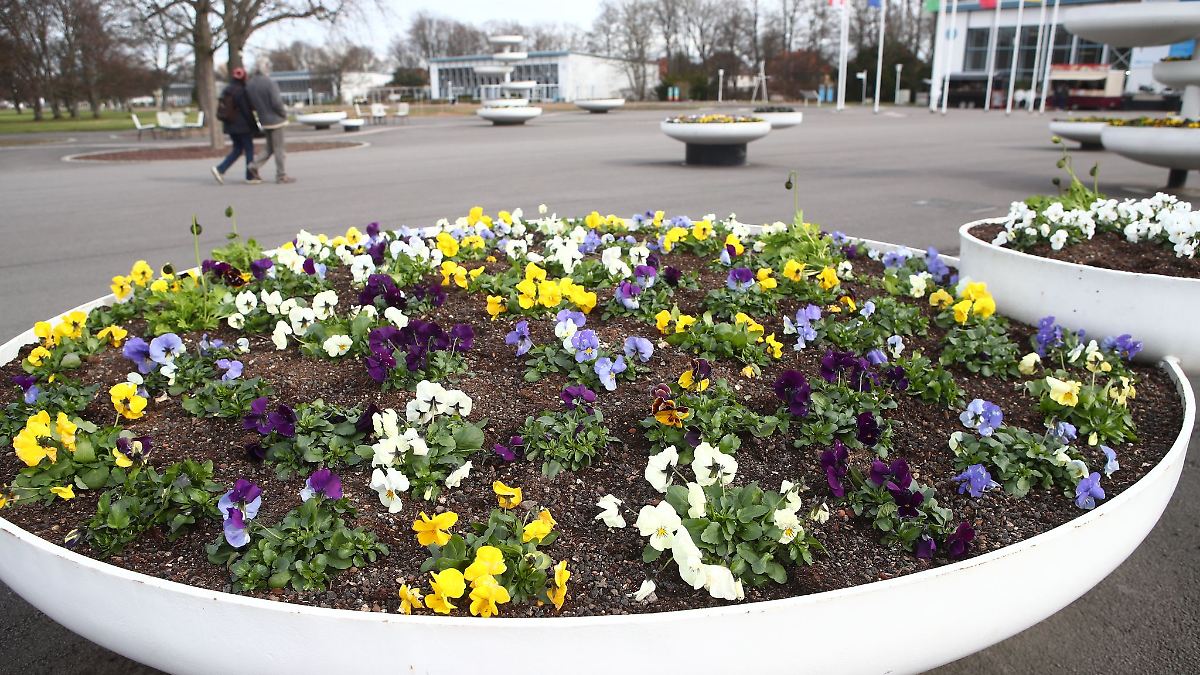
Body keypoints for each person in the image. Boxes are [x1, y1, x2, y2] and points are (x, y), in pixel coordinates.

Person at [247, 63, 295, 184]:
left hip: (263, 119)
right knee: (279, 148)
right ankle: (281, 175)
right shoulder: (269, 83)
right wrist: (283, 113)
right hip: (275, 120)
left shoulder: (250, 84)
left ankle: (254, 165)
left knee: (269, 147)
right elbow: (276, 102)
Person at [211, 67, 260, 185]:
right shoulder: (241, 91)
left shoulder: (227, 90)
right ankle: (250, 175)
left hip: (230, 125)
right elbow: (246, 110)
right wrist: (254, 126)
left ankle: (220, 169)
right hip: (243, 126)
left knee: (237, 149)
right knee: (249, 149)